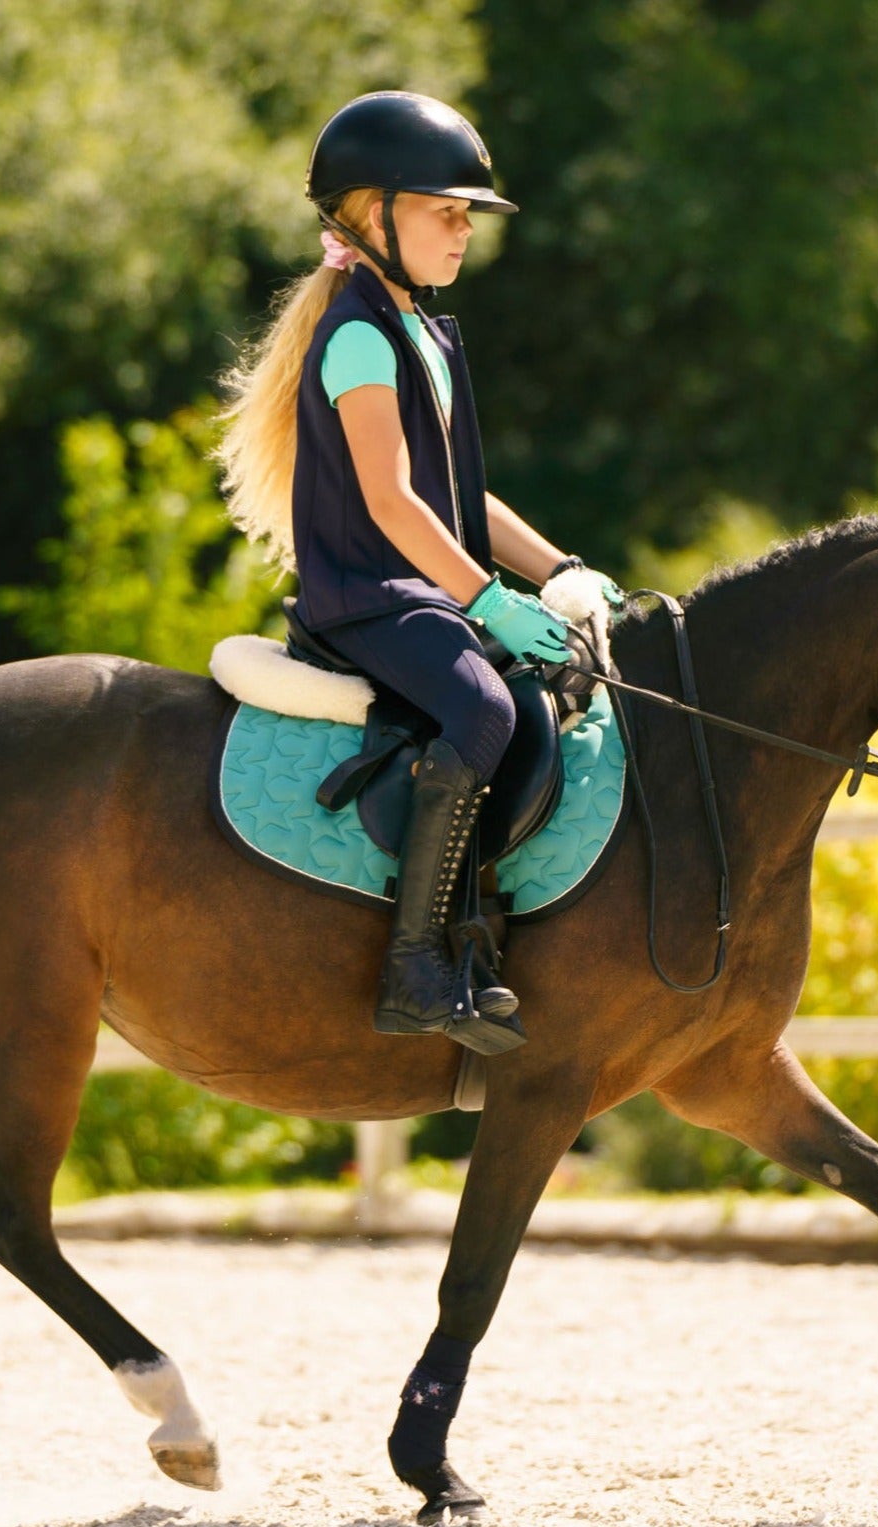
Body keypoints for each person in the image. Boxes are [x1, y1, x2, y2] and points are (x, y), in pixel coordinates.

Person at [217, 91, 619, 1054]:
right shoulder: (356, 337)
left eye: (466, 214)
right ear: (370, 213)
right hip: (368, 598)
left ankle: (481, 935)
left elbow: (461, 499)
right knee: (480, 710)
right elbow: (395, 504)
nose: (462, 230)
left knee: (537, 693)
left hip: (422, 588)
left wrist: (561, 568)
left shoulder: (424, 336)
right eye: (444, 210)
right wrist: (490, 601)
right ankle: (413, 970)